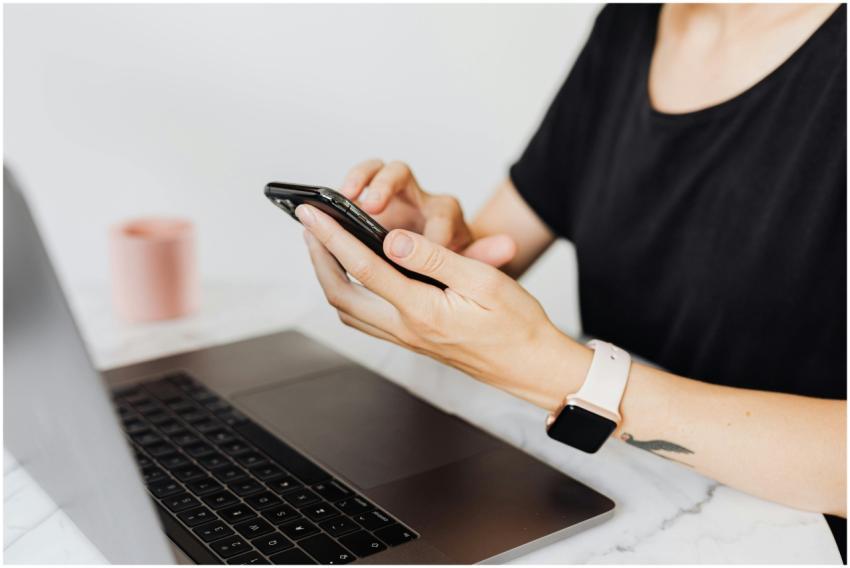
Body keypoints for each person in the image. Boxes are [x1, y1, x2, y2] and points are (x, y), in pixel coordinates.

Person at [296, 3, 847, 560]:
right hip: (616, 504)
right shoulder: (631, 23)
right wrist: (419, 250)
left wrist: (565, 375)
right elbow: (497, 247)